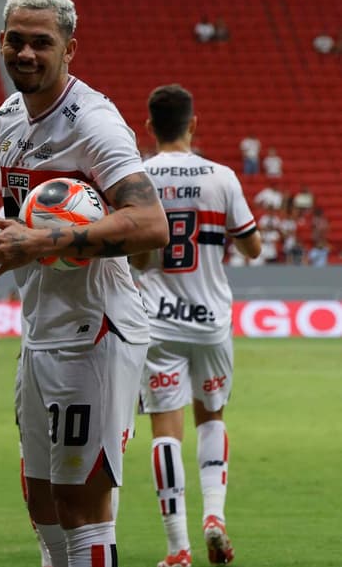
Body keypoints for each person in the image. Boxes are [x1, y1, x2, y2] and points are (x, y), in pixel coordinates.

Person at [0, 0, 169, 567]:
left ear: (70, 48)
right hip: (42, 326)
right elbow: (30, 220)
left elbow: (151, 224)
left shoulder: (93, 124)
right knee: (42, 499)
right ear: (0, 41)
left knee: (81, 508)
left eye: (42, 43)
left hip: (94, 330)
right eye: (16, 41)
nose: (26, 53)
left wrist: (44, 241)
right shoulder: (7, 117)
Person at [130, 84, 262, 567]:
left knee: (166, 429)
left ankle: (177, 547)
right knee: (211, 415)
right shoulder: (222, 177)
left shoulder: (138, 178)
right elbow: (252, 248)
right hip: (210, 321)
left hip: (158, 323)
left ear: (149, 127)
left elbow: (138, 257)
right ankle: (215, 517)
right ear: (193, 124)